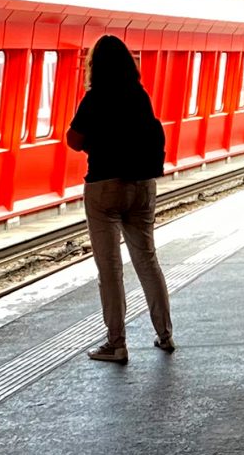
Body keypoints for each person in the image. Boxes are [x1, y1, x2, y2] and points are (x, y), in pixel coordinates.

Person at [67, 35, 174, 361]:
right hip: (141, 186)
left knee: (110, 269)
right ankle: (165, 335)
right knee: (147, 260)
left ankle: (117, 344)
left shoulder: (94, 98)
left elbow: (74, 139)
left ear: (94, 66)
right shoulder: (140, 97)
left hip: (104, 187)